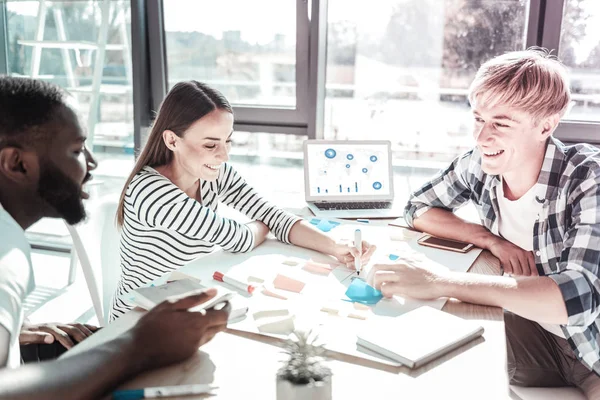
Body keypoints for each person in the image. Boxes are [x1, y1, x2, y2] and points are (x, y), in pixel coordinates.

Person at [368, 48, 600, 398]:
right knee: (430, 371)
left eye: (501, 124)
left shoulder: (587, 177)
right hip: (532, 334)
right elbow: (417, 208)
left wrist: (441, 282)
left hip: (592, 353)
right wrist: (490, 240)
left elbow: (578, 299)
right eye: (478, 118)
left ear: (546, 125)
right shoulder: (480, 163)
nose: (481, 137)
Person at [0, 76, 230, 399]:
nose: (92, 165)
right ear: (17, 164)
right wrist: (138, 345)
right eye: (77, 150)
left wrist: (14, 331)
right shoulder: (6, 255)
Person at [111, 81, 376, 320]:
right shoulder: (151, 192)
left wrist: (335, 247)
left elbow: (273, 215)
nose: (224, 156)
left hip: (187, 302)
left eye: (228, 141)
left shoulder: (212, 172)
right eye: (210, 145)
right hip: (139, 320)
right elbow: (239, 238)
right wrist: (264, 225)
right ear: (172, 140)